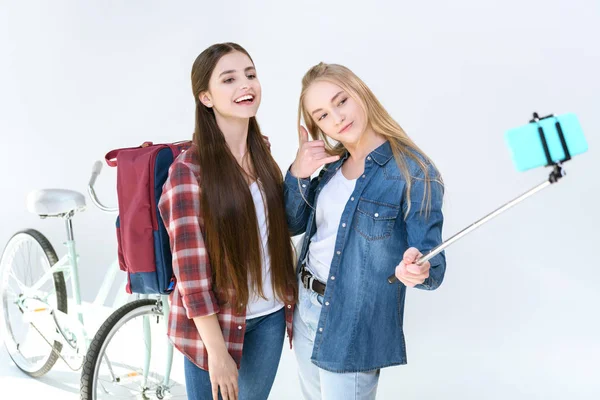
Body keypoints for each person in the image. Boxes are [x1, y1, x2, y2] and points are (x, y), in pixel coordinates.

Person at [284, 62, 446, 399]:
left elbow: (434, 263)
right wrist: (299, 172)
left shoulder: (413, 171)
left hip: (353, 320)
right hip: (305, 307)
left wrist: (419, 268)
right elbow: (292, 224)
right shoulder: (330, 166)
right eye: (323, 115)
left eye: (341, 101)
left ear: (360, 93)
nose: (337, 118)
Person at [158, 42, 297, 400]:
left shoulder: (262, 152)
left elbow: (278, 231)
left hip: (269, 316)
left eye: (250, 75)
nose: (245, 85)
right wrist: (217, 355)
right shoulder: (187, 173)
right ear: (206, 97)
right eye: (229, 79)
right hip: (214, 328)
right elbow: (191, 275)